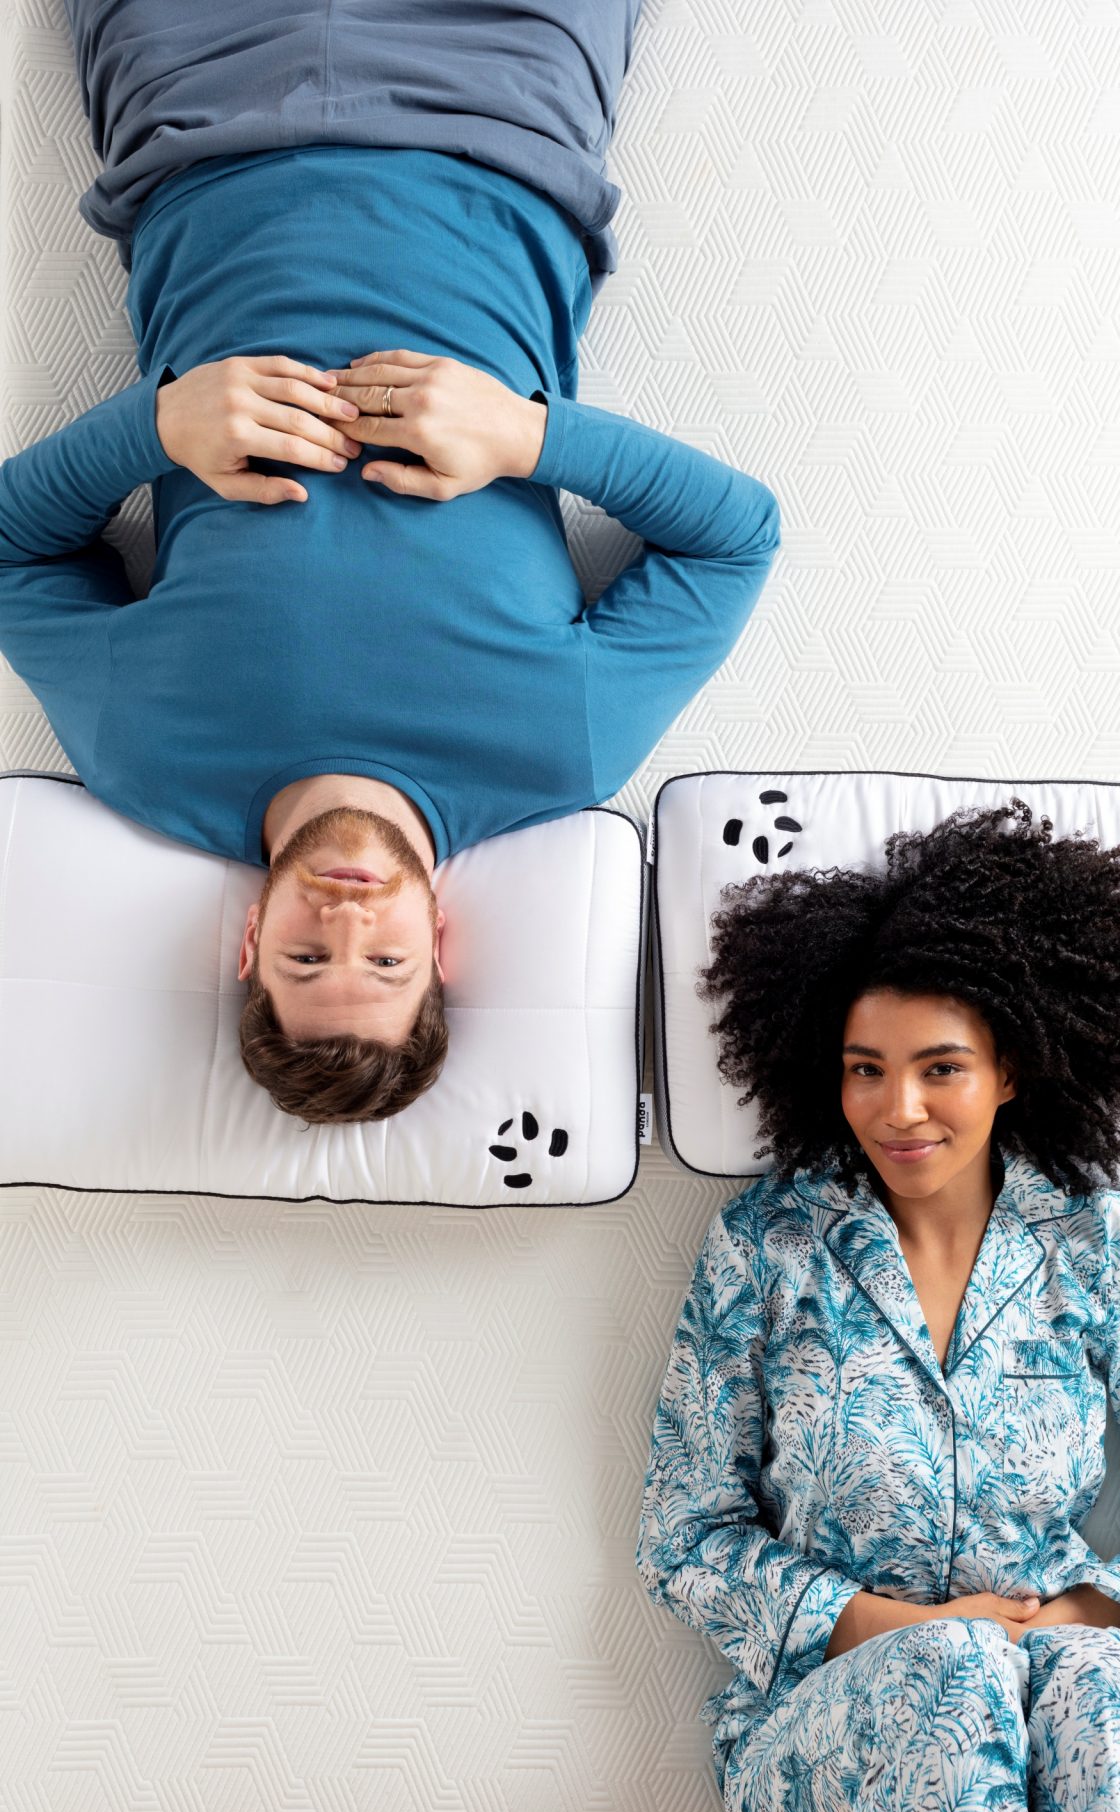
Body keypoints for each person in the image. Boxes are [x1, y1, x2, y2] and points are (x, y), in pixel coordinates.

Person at [0, 2, 781, 1124]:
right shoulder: (562, 746)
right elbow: (734, 536)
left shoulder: (143, 753)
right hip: (497, 104)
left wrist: (161, 429)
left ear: (250, 948)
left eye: (307, 965)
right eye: (384, 969)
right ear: (440, 948)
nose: (348, 927)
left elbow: (13, 548)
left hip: (201, 100)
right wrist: (526, 436)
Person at [636, 801, 1120, 1812]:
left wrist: (1068, 1622)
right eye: (864, 1068)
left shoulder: (1099, 1243)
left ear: (1008, 1069)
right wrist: (908, 1630)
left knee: (1104, 1681)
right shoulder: (764, 1247)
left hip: (1058, 1706)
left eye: (939, 1068)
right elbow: (684, 1535)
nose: (897, 1108)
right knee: (951, 1673)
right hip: (818, 1749)